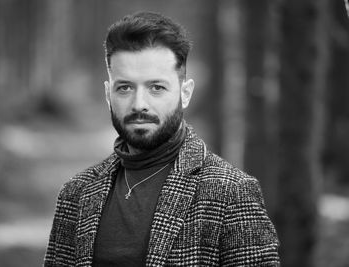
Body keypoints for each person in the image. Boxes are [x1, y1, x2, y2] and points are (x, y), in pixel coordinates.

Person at [44, 11, 279, 266]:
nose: (139, 104)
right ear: (107, 94)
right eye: (125, 87)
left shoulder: (232, 193)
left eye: (156, 87)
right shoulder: (76, 193)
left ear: (185, 93)